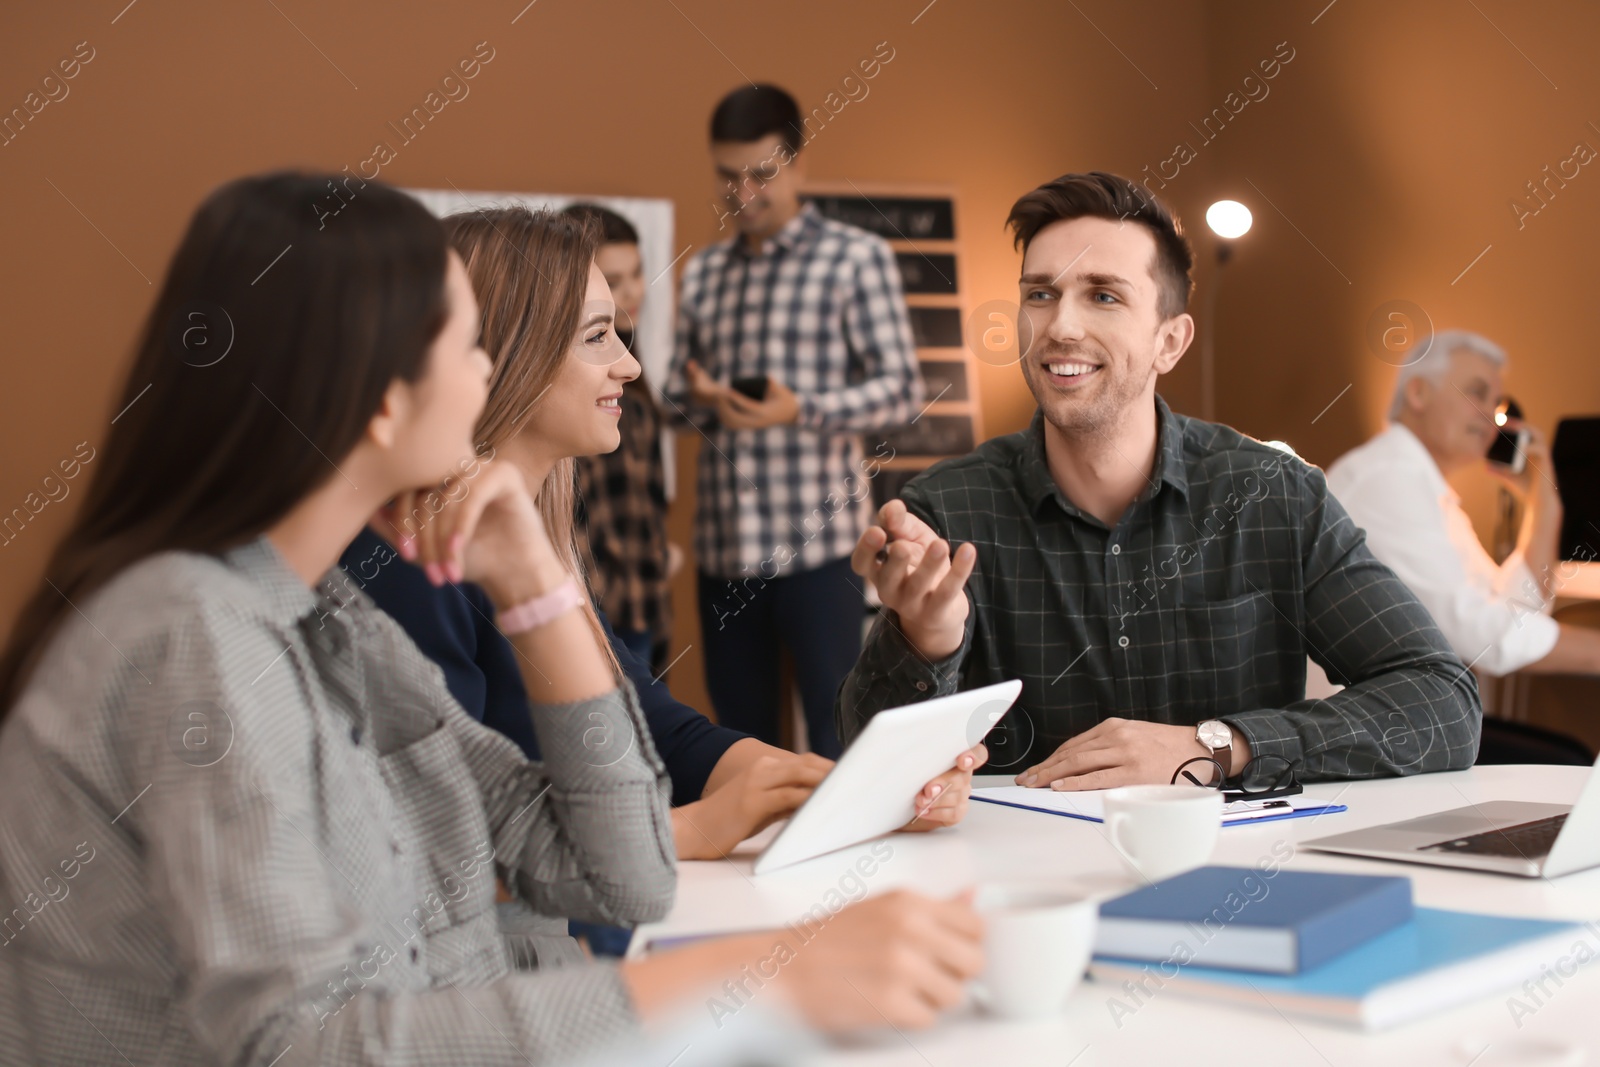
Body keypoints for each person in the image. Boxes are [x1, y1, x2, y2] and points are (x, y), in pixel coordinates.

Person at [0, 173, 984, 1064]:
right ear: (381, 398)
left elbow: (624, 875)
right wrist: (759, 973)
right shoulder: (192, 634)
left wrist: (533, 584)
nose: (486, 375)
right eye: (465, 342)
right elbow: (300, 1043)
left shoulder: (326, 617)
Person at [339, 205, 983, 958]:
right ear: (504, 353)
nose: (631, 364)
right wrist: (689, 829)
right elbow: (413, 849)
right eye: (595, 337)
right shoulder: (410, 561)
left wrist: (853, 793)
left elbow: (651, 723)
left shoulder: (533, 541)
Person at [836, 171, 1483, 791]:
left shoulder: (1275, 495)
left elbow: (1443, 703)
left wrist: (1215, 746)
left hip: (1242, 880)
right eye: (1040, 293)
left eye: (1103, 295)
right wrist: (928, 639)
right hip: (1023, 893)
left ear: (1170, 342)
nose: (1060, 325)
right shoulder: (945, 510)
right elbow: (869, 769)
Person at [662, 84, 923, 759]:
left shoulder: (855, 259)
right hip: (724, 552)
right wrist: (703, 398)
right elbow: (670, 396)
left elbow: (902, 391)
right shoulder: (706, 272)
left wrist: (800, 408)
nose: (743, 192)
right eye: (727, 175)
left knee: (838, 735)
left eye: (762, 173)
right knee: (742, 748)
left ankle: (839, 864)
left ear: (798, 163)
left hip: (821, 550)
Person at [1327, 330, 1600, 676]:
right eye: (1478, 393)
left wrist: (1544, 503)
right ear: (1418, 393)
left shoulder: (1435, 499)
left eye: (1497, 404)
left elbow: (1516, 612)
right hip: (1354, 723)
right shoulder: (1386, 479)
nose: (1491, 416)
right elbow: (1488, 639)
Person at [561, 202, 679, 676]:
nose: (631, 292)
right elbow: (567, 496)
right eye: (614, 278)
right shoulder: (574, 376)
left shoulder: (634, 363)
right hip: (596, 594)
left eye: (636, 275)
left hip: (642, 593)